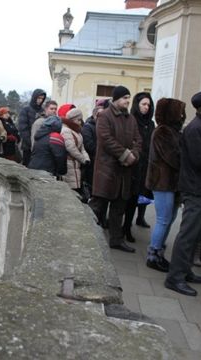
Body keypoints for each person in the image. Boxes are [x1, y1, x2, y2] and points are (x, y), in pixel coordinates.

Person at [165, 90, 201, 296]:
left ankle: (185, 271)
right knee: (188, 235)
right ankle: (175, 277)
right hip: (196, 189)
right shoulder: (197, 129)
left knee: (195, 233)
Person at [88, 85, 142, 253]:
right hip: (107, 170)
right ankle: (87, 235)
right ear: (116, 99)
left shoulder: (131, 119)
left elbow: (138, 140)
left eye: (129, 98)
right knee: (98, 206)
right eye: (125, 97)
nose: (127, 101)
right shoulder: (105, 116)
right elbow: (106, 139)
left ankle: (116, 240)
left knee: (119, 208)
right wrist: (125, 155)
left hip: (124, 172)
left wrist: (134, 155)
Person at [145, 98, 185, 272]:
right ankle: (153, 255)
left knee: (169, 219)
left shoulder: (174, 131)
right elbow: (173, 158)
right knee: (163, 219)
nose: (183, 115)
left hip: (173, 183)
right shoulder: (162, 131)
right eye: (180, 111)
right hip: (162, 182)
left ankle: (159, 252)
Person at [123, 92, 155, 242]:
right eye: (143, 104)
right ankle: (120, 227)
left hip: (144, 166)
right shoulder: (130, 120)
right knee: (126, 199)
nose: (146, 107)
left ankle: (128, 227)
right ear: (137, 105)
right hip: (131, 164)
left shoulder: (151, 123)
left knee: (137, 198)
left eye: (148, 105)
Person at [62, 108, 90, 199]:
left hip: (76, 165)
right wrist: (82, 159)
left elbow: (82, 147)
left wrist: (86, 158)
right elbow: (71, 148)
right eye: (78, 120)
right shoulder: (66, 130)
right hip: (69, 164)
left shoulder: (77, 132)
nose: (80, 122)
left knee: (76, 190)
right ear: (73, 119)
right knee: (70, 191)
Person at [82, 99, 109, 189]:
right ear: (95, 115)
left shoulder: (104, 126)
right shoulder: (88, 127)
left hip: (102, 162)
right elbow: (89, 145)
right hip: (92, 162)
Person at [18, 89, 46, 166]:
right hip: (28, 145)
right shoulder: (25, 110)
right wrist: (31, 143)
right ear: (34, 97)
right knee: (27, 166)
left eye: (42, 98)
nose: (40, 100)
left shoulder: (43, 111)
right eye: (39, 98)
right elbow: (23, 128)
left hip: (40, 145)